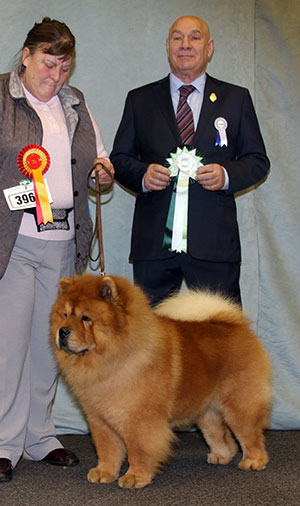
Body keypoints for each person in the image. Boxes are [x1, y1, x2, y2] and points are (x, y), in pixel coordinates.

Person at [0, 18, 114, 482]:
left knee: (53, 345)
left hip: (64, 244)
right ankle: (4, 441)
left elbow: (96, 156)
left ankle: (40, 436)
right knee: (9, 345)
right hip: (15, 240)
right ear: (26, 55)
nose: (56, 77)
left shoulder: (75, 102)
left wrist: (102, 170)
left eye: (64, 68)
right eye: (49, 65)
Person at [110, 15, 269, 306]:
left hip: (215, 244)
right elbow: (119, 160)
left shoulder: (237, 98)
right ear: (167, 45)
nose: (185, 45)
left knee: (220, 339)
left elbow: (258, 161)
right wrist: (143, 176)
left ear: (209, 48)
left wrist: (226, 175)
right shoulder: (139, 99)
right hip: (153, 244)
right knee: (149, 341)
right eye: (177, 38)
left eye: (194, 38)